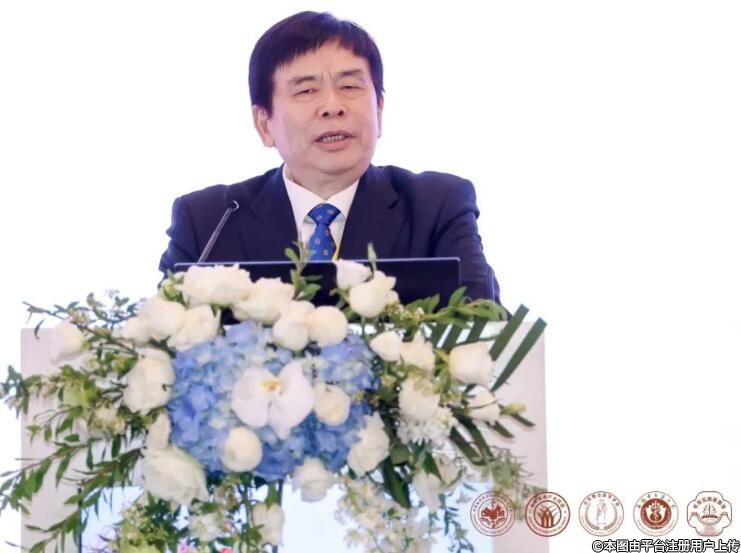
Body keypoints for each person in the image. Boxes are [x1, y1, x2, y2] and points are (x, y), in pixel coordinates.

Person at [159, 11, 501, 302]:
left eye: (350, 86)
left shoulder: (436, 206)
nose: (332, 106)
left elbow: (485, 329)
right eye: (306, 90)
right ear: (264, 124)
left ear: (379, 110)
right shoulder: (209, 222)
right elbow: (160, 344)